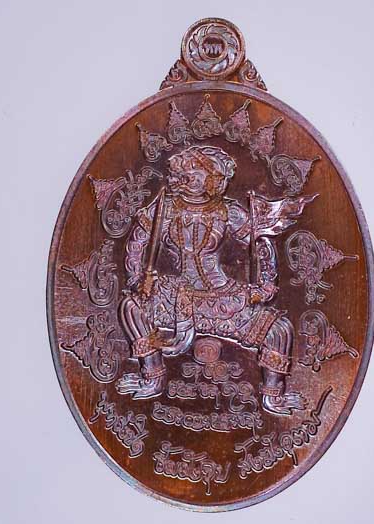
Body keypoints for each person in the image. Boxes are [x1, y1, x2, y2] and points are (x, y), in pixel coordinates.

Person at [117, 145, 312, 415]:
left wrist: (266, 285)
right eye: (181, 172)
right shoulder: (164, 208)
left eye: (193, 173)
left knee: (279, 330)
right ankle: (152, 377)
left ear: (212, 178)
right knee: (131, 307)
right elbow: (137, 244)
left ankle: (273, 397)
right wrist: (139, 280)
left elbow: (259, 244)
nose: (184, 177)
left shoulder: (227, 211)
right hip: (176, 299)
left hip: (222, 300)